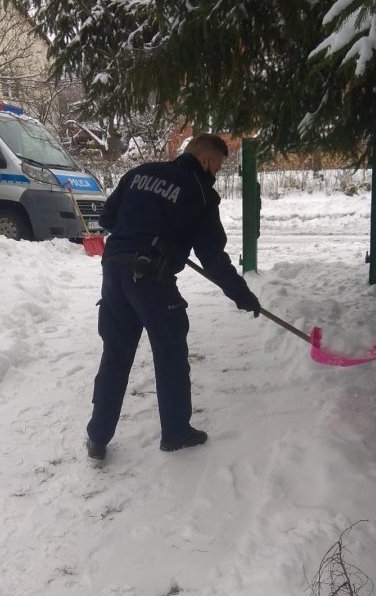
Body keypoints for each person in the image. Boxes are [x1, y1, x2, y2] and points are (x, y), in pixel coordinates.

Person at [86, 133, 261, 460]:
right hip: (152, 279)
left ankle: (97, 437)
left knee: (116, 354)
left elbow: (108, 218)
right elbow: (213, 258)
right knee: (170, 354)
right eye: (219, 166)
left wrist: (143, 227)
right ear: (206, 160)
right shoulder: (200, 193)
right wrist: (241, 294)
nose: (217, 173)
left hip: (114, 272)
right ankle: (176, 432)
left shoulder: (140, 172)